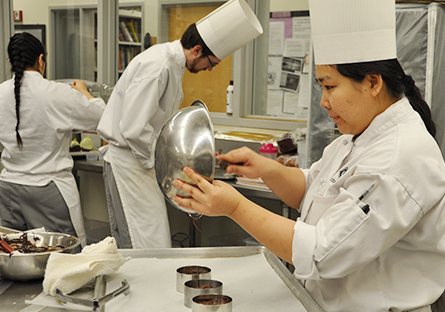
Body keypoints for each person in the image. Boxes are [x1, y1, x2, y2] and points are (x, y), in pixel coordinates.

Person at [173, 0, 445, 311]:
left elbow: (322, 252)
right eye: (321, 87)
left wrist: (234, 206)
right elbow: (312, 188)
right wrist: (267, 169)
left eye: (329, 87)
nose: (323, 102)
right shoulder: (357, 135)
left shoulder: (399, 157)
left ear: (372, 83)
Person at [96, 0, 263, 249]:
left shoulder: (173, 65)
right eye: (211, 63)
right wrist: (161, 165)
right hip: (130, 164)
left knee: (154, 242)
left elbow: (159, 125)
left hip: (139, 162)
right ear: (197, 50)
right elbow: (133, 129)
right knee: (143, 245)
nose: (209, 70)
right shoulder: (158, 66)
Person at [0, 32, 106, 247]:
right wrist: (85, 93)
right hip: (48, 189)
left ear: (11, 62)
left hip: (8, 190)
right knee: (62, 258)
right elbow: (102, 118)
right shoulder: (57, 93)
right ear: (41, 60)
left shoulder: (0, 93)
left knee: (13, 255)